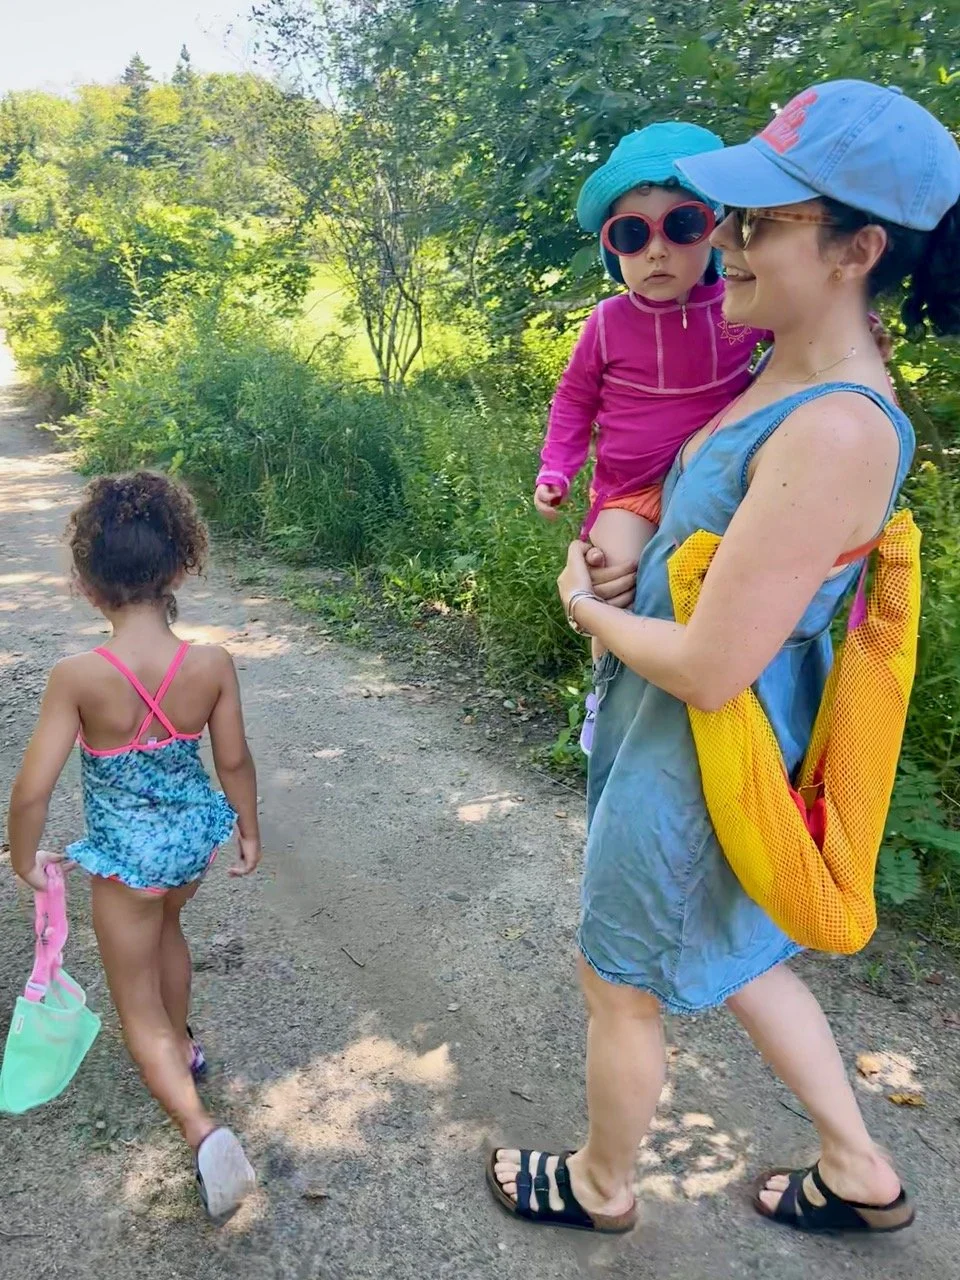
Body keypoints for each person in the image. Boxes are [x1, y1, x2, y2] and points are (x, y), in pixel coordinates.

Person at [489, 80, 960, 1237]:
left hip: (693, 757)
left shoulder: (838, 423)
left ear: (857, 247)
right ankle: (857, 1164)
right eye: (730, 218)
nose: (728, 246)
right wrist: (627, 554)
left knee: (621, 980)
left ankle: (602, 1183)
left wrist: (586, 611)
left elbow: (707, 665)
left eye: (759, 221)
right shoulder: (784, 371)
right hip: (694, 747)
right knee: (743, 951)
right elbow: (713, 548)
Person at [535, 123, 887, 753]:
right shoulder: (609, 323)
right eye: (632, 234)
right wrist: (556, 469)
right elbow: (573, 399)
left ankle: (714, 715)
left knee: (699, 600)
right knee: (610, 571)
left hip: (713, 482)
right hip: (633, 490)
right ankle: (605, 692)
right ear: (613, 249)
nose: (657, 252)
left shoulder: (734, 307)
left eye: (683, 226)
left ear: (715, 229)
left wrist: (859, 328)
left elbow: (808, 338)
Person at [7, 471, 262, 1222]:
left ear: (88, 585)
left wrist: (24, 856)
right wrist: (247, 826)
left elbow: (31, 789)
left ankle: (201, 1129)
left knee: (136, 1005)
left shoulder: (79, 678)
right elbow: (236, 761)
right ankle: (184, 1049)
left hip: (126, 864)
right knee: (169, 934)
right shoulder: (211, 664)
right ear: (182, 566)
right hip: (189, 851)